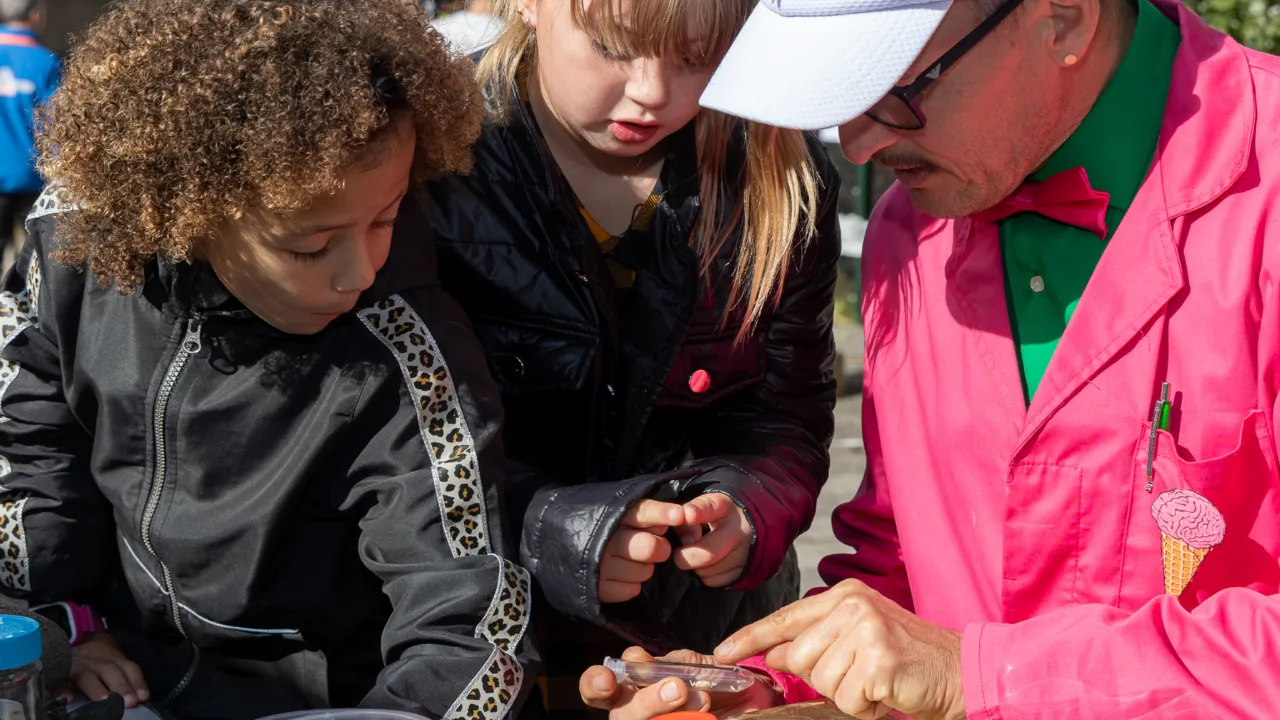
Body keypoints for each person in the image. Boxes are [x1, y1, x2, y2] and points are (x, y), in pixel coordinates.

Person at [580, 0, 1280, 717]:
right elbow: (906, 577)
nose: (857, 146)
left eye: (895, 89)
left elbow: (953, 664)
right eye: (838, 98)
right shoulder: (909, 232)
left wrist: (979, 676)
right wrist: (776, 685)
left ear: (1065, 19)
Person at [0, 1, 535, 718]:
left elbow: (470, 619)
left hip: (326, 699)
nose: (359, 272)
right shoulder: (75, 246)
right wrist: (67, 624)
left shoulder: (409, 348)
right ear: (188, 206)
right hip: (121, 665)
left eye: (386, 218)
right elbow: (33, 442)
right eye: (309, 246)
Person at [423, 0, 842, 713]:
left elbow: (786, 414)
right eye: (614, 47)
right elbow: (398, 435)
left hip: (706, 650)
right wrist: (552, 527)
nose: (652, 92)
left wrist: (747, 508)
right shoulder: (431, 152)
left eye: (697, 56)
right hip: (482, 645)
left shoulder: (783, 171)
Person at [0, 0, 58, 266]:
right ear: (35, 15)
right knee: (35, 261)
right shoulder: (44, 61)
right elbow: (54, 126)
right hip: (32, 177)